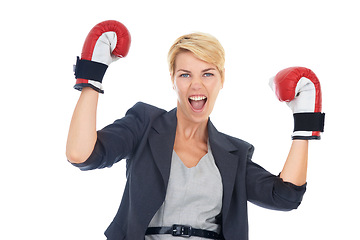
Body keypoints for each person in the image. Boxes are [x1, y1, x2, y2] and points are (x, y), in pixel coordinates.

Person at [66, 20, 325, 240]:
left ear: (222, 79)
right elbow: (82, 154)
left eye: (208, 74)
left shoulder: (233, 153)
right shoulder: (144, 123)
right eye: (185, 74)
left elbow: (286, 197)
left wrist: (305, 123)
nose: (196, 85)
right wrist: (92, 77)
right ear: (173, 79)